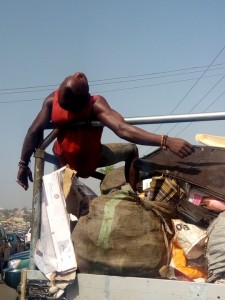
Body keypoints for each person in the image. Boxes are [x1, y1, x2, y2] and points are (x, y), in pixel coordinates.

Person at [16, 72, 194, 192]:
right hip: (92, 160)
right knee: (131, 150)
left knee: (48, 142)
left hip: (64, 160)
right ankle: (132, 197)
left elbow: (33, 131)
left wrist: (23, 165)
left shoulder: (50, 101)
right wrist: (165, 140)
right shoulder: (95, 103)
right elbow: (122, 128)